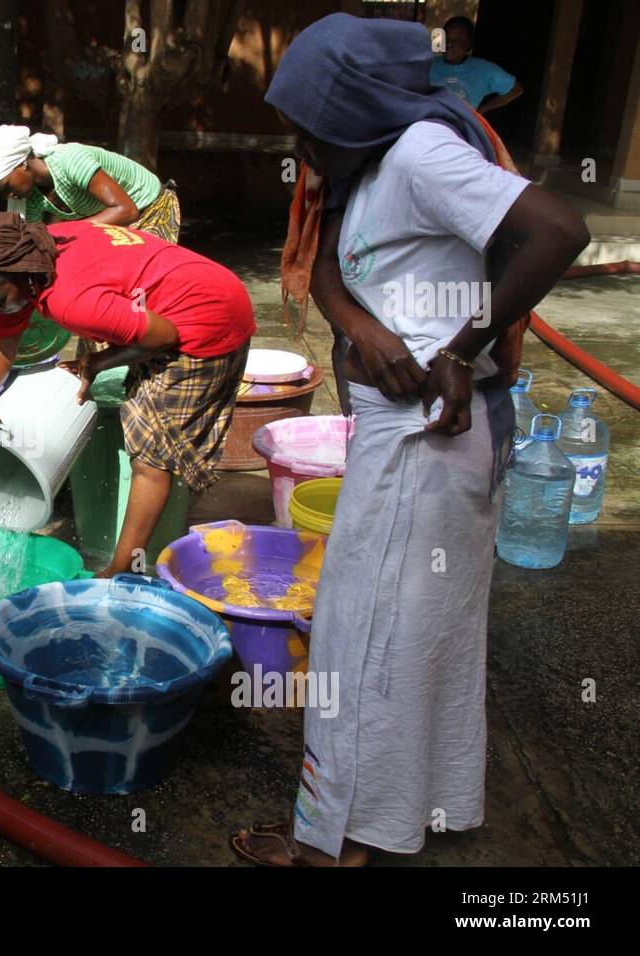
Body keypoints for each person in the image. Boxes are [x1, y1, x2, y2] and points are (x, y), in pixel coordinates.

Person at [231, 13, 588, 867]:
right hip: (405, 436)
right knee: (418, 632)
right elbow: (329, 267)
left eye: (309, 122)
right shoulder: (370, 161)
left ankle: (332, 848)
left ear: (355, 106)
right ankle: (409, 814)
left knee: (367, 640)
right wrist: (362, 325)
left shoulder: (422, 154)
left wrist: (459, 348)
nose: (300, 143)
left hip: (431, 435)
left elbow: (558, 231)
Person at [0, 213, 254, 576]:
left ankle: (123, 568)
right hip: (191, 291)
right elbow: (1, 344)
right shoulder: (38, 248)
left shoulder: (69, 298)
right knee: (146, 428)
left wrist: (96, 361)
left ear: (18, 273)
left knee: (152, 458)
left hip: (207, 321)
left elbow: (164, 337)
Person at [0, 125, 180, 242]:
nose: (8, 196)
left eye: (6, 186)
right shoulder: (31, 197)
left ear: (22, 164)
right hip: (119, 218)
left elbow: (127, 211)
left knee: (140, 284)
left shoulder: (69, 161)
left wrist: (61, 232)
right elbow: (30, 239)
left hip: (151, 209)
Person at [430, 15, 523, 115]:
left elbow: (516, 89)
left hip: (461, 128)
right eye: (447, 38)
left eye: (457, 40)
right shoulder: (429, 65)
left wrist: (483, 109)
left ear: (469, 43)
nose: (449, 44)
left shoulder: (482, 70)